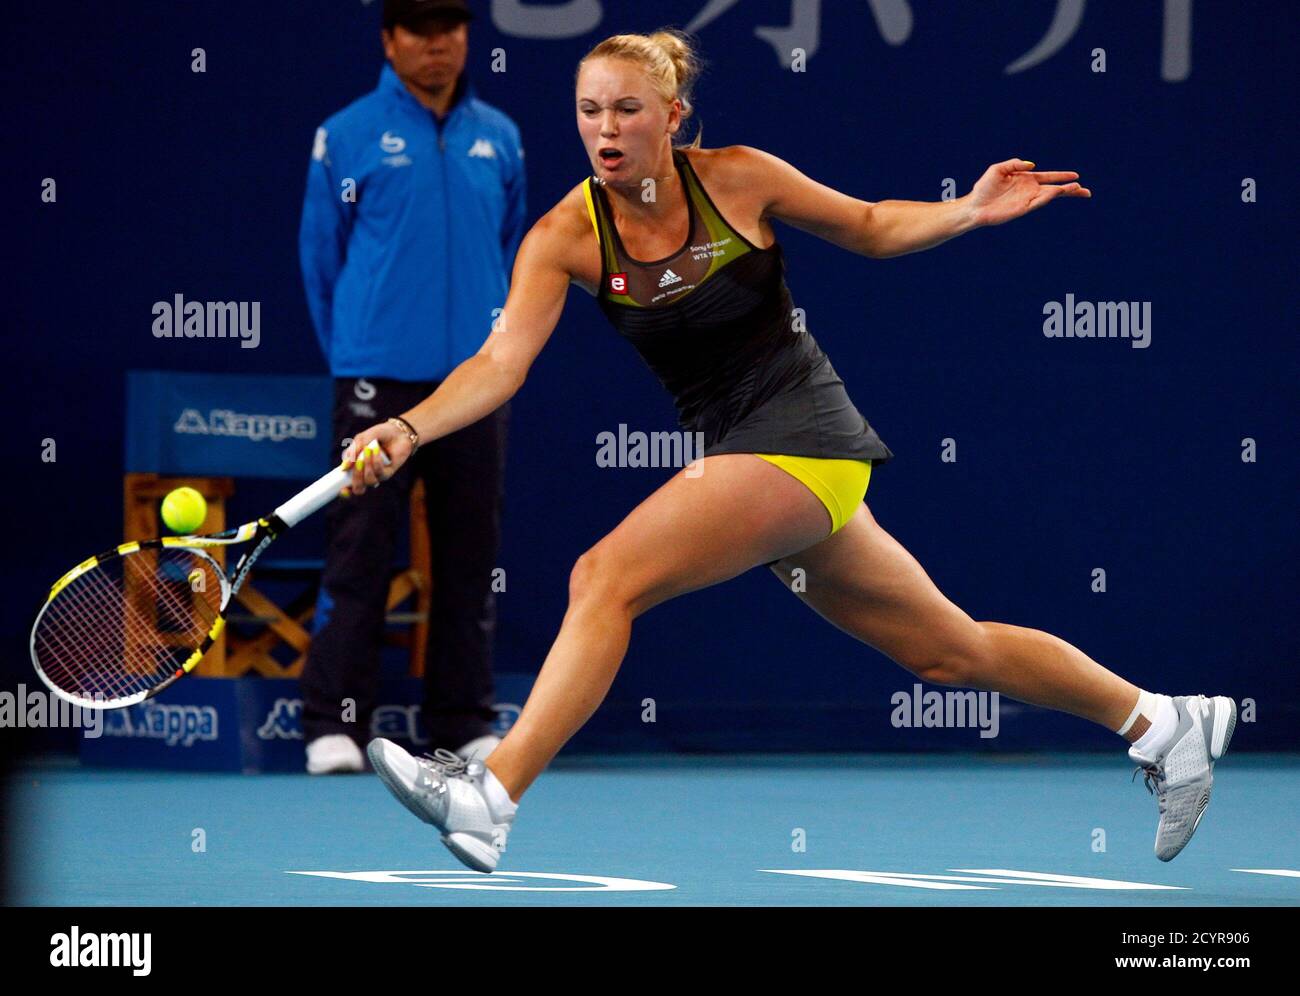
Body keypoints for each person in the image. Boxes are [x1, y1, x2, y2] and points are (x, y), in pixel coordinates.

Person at [346, 29, 1234, 871]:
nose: (605, 130)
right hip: (750, 458)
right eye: (588, 110)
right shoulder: (565, 236)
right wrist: (409, 426)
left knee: (602, 578)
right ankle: (1160, 721)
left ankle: (493, 794)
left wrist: (967, 210)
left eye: (626, 110)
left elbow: (873, 225)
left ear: (673, 114)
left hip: (804, 433)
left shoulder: (738, 179)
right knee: (950, 652)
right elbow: (501, 361)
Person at [297, 0, 525, 774]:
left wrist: (486, 357)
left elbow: (507, 248)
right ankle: (332, 724)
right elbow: (320, 260)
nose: (439, 46)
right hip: (376, 381)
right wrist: (358, 355)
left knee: (469, 556)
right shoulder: (347, 133)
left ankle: (461, 722)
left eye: (452, 30)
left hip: (472, 387)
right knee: (359, 554)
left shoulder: (500, 137)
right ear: (390, 41)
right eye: (421, 32)